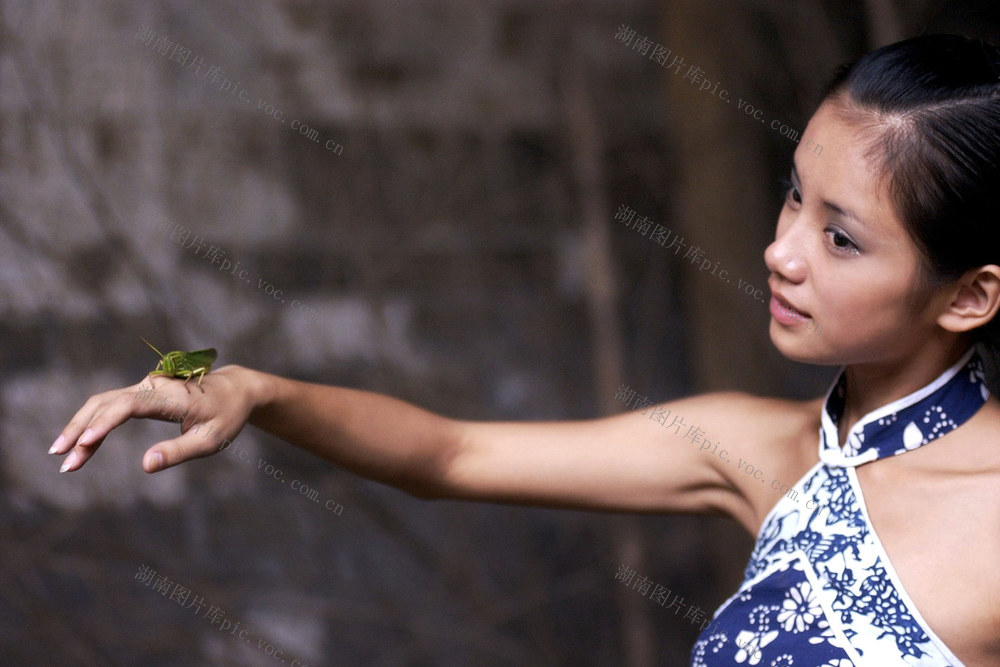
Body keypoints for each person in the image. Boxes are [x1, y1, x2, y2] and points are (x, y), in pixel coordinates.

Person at [52, 34, 1000, 665]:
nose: (780, 251)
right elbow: (452, 454)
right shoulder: (755, 449)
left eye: (841, 237)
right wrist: (257, 391)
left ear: (970, 295)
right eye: (795, 193)